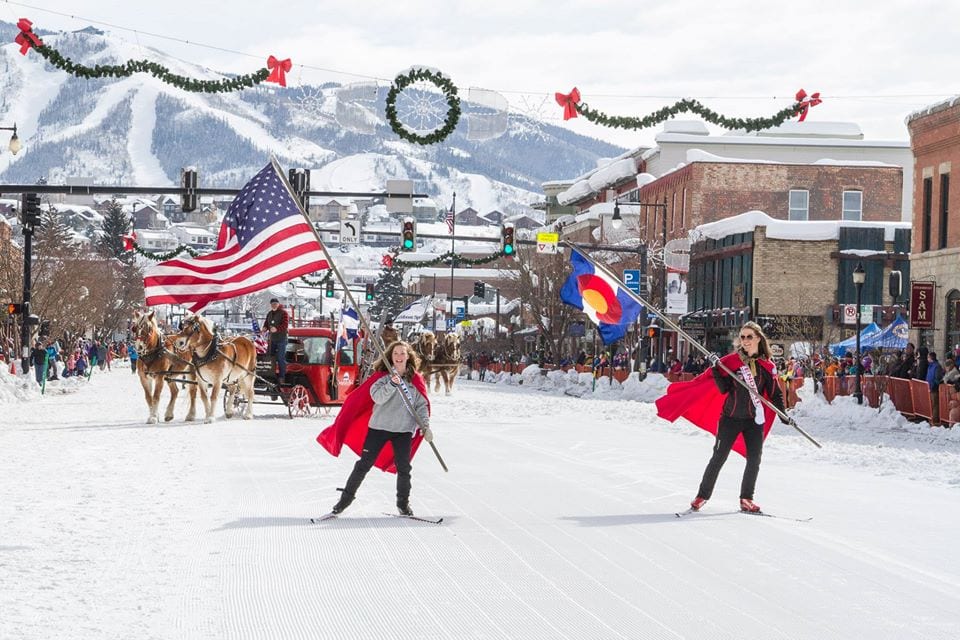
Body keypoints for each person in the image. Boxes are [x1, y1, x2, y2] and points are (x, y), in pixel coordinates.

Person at [655, 321, 787, 514]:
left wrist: (783, 414)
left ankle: (746, 498)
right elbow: (723, 388)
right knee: (718, 457)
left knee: (754, 459)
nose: (745, 340)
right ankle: (702, 496)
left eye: (749, 336)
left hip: (753, 420)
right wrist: (717, 369)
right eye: (742, 337)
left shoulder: (767, 366)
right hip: (730, 419)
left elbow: (774, 394)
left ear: (758, 338)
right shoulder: (731, 361)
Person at [317, 340, 432, 516]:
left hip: (403, 431)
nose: (399, 357)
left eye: (402, 353)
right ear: (390, 357)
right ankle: (343, 502)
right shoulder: (383, 377)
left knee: (404, 469)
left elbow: (421, 406)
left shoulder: (415, 380)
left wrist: (425, 426)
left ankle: (403, 505)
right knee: (363, 465)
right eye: (396, 354)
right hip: (379, 428)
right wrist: (392, 384)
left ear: (408, 356)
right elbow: (377, 397)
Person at [263, 298, 289, 383]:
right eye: (272, 304)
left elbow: (285, 325)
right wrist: (265, 328)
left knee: (281, 358)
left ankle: (282, 377)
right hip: (272, 339)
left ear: (278, 304)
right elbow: (267, 322)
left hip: (281, 339)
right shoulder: (269, 314)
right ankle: (270, 374)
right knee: (269, 356)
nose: (273, 305)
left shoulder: (284, 313)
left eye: (275, 303)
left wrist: (277, 329)